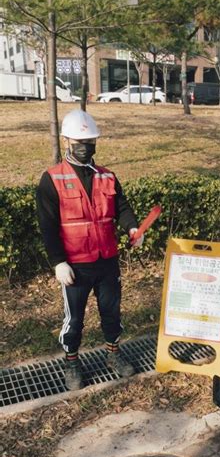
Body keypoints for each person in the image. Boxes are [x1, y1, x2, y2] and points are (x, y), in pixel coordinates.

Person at [36, 109, 144, 390]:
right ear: (66, 141)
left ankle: (114, 354)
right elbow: (48, 225)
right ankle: (71, 361)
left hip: (106, 260)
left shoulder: (107, 176)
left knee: (112, 313)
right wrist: (58, 262)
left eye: (90, 141)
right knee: (75, 319)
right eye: (79, 141)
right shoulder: (52, 179)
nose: (85, 147)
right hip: (75, 265)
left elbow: (121, 208)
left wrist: (132, 228)